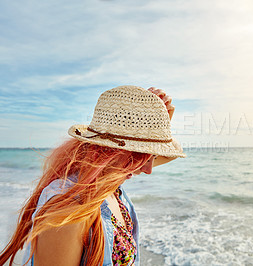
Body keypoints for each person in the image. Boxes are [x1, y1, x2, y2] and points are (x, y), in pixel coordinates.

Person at [0, 85, 186, 266]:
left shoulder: (108, 187)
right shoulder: (68, 213)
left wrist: (158, 124)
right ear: (106, 151)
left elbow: (162, 159)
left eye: (152, 156)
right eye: (137, 156)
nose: (148, 169)